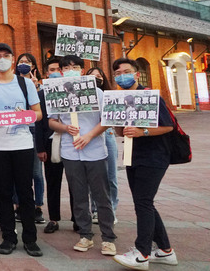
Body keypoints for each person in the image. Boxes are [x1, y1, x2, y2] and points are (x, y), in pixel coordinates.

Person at [0, 43, 43, 257]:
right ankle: (8, 238)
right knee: (2, 192)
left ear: (12, 59)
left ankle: (30, 239)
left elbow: (38, 114)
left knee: (25, 192)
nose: (2, 59)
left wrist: (26, 115)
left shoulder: (25, 84)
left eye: (6, 55)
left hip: (22, 144)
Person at [111, 58, 178, 269]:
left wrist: (143, 132)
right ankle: (166, 251)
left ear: (136, 74)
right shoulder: (119, 98)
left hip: (154, 156)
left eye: (127, 71)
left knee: (143, 202)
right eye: (118, 73)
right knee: (145, 202)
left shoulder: (150, 97)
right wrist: (115, 121)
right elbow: (121, 131)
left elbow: (168, 126)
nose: (123, 75)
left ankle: (142, 253)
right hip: (133, 156)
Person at [48, 55, 116, 257]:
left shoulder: (98, 93)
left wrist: (88, 136)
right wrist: (65, 127)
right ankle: (85, 235)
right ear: (61, 71)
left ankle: (108, 238)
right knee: (78, 195)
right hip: (71, 151)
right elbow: (52, 122)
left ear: (82, 70)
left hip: (94, 149)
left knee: (101, 195)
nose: (71, 69)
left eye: (75, 66)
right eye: (66, 67)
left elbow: (107, 119)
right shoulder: (58, 93)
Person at [36, 57, 75, 234]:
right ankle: (53, 218)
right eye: (52, 70)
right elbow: (39, 122)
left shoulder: (76, 91)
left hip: (72, 140)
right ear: (46, 73)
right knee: (52, 182)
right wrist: (40, 148)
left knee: (76, 182)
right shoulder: (42, 94)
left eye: (60, 69)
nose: (56, 72)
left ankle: (78, 217)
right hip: (50, 141)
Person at [15, 53, 45, 224]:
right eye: (21, 62)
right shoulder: (11, 83)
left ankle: (38, 206)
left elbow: (41, 110)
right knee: (17, 172)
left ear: (33, 66)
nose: (24, 64)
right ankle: (18, 205)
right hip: (16, 129)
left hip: (33, 130)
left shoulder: (38, 85)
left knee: (36, 172)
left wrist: (36, 88)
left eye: (28, 62)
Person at [86, 66, 119, 221]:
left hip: (107, 133)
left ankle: (111, 208)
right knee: (94, 175)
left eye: (99, 76)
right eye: (92, 76)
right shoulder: (82, 95)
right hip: (89, 134)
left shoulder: (109, 95)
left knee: (111, 175)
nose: (96, 78)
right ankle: (95, 209)